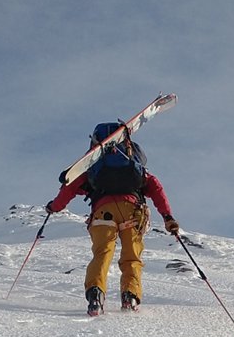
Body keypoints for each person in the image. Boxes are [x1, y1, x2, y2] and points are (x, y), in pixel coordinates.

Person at [49, 121, 181, 315]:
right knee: (131, 257)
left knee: (102, 254)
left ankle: (95, 295)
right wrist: (168, 216)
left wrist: (54, 207)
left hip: (103, 212)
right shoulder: (133, 163)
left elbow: (69, 188)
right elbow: (155, 187)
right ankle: (130, 296)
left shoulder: (92, 165)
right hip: (133, 211)